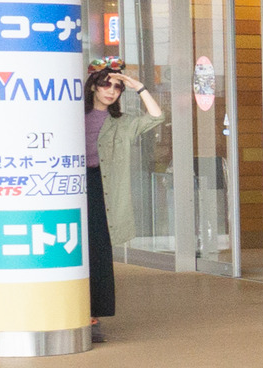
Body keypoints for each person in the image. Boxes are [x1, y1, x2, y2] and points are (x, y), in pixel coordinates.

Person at [84, 56, 164, 343]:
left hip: (102, 188)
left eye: (117, 88)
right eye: (105, 84)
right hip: (69, 187)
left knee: (98, 252)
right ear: (93, 86)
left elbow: (156, 117)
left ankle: (93, 315)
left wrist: (138, 87)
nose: (111, 91)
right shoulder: (71, 115)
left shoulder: (122, 122)